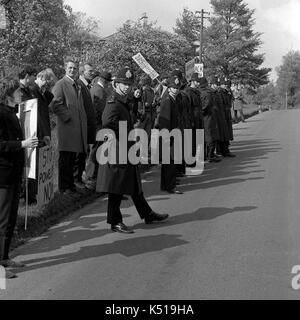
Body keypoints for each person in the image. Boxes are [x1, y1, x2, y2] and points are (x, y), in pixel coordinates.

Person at [96, 67, 169, 234]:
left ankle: (147, 214)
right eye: (123, 83)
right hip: (117, 150)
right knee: (116, 187)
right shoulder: (113, 102)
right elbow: (107, 124)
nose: (127, 86)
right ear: (116, 84)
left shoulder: (122, 100)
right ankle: (115, 221)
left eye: (129, 84)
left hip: (126, 147)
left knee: (134, 184)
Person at [0, 76, 39, 279]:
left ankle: (5, 256)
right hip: (3, 174)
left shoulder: (11, 111)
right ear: (8, 93)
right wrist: (22, 144)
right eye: (17, 91)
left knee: (10, 219)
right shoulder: (1, 112)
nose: (20, 94)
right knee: (3, 219)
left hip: (14, 172)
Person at [50, 57, 88, 195]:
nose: (72, 70)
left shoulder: (77, 84)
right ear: (65, 68)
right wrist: (67, 116)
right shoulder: (61, 84)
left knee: (72, 159)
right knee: (65, 160)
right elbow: (54, 103)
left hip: (76, 129)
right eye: (70, 68)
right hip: (67, 129)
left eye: (75, 68)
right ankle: (64, 188)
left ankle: (71, 186)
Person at [27, 69, 53, 204]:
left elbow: (49, 98)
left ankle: (36, 193)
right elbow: (37, 116)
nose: (47, 84)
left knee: (38, 166)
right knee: (33, 166)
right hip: (36, 132)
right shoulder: (33, 92)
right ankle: (30, 196)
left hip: (42, 132)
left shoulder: (42, 92)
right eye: (46, 80)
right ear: (39, 77)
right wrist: (45, 134)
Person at [88, 70, 113, 190]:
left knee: (98, 150)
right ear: (106, 81)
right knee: (97, 150)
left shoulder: (98, 89)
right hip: (99, 125)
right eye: (108, 82)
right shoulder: (98, 90)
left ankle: (95, 176)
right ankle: (92, 176)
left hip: (98, 125)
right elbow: (98, 110)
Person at [159, 74, 183, 194]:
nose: (176, 90)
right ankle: (170, 186)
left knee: (168, 162)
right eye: (174, 88)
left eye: (178, 88)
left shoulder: (173, 99)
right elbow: (164, 121)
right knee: (170, 162)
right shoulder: (168, 101)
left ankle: (166, 184)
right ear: (169, 88)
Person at [75, 62, 97, 189]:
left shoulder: (87, 85)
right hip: (82, 125)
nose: (92, 73)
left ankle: (84, 178)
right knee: (81, 154)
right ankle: (81, 179)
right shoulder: (80, 85)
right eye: (90, 71)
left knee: (86, 153)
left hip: (89, 125)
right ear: (82, 72)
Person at [198, 76, 220, 163]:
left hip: (204, 117)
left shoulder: (200, 92)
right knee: (209, 135)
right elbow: (206, 106)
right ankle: (210, 155)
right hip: (209, 116)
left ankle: (207, 155)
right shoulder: (208, 93)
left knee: (206, 136)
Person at [184, 72, 203, 167]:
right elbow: (188, 108)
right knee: (191, 141)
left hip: (198, 118)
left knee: (197, 140)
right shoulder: (188, 92)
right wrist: (190, 120)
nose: (199, 83)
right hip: (192, 119)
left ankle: (195, 158)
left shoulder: (197, 92)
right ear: (192, 81)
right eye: (197, 81)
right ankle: (189, 160)